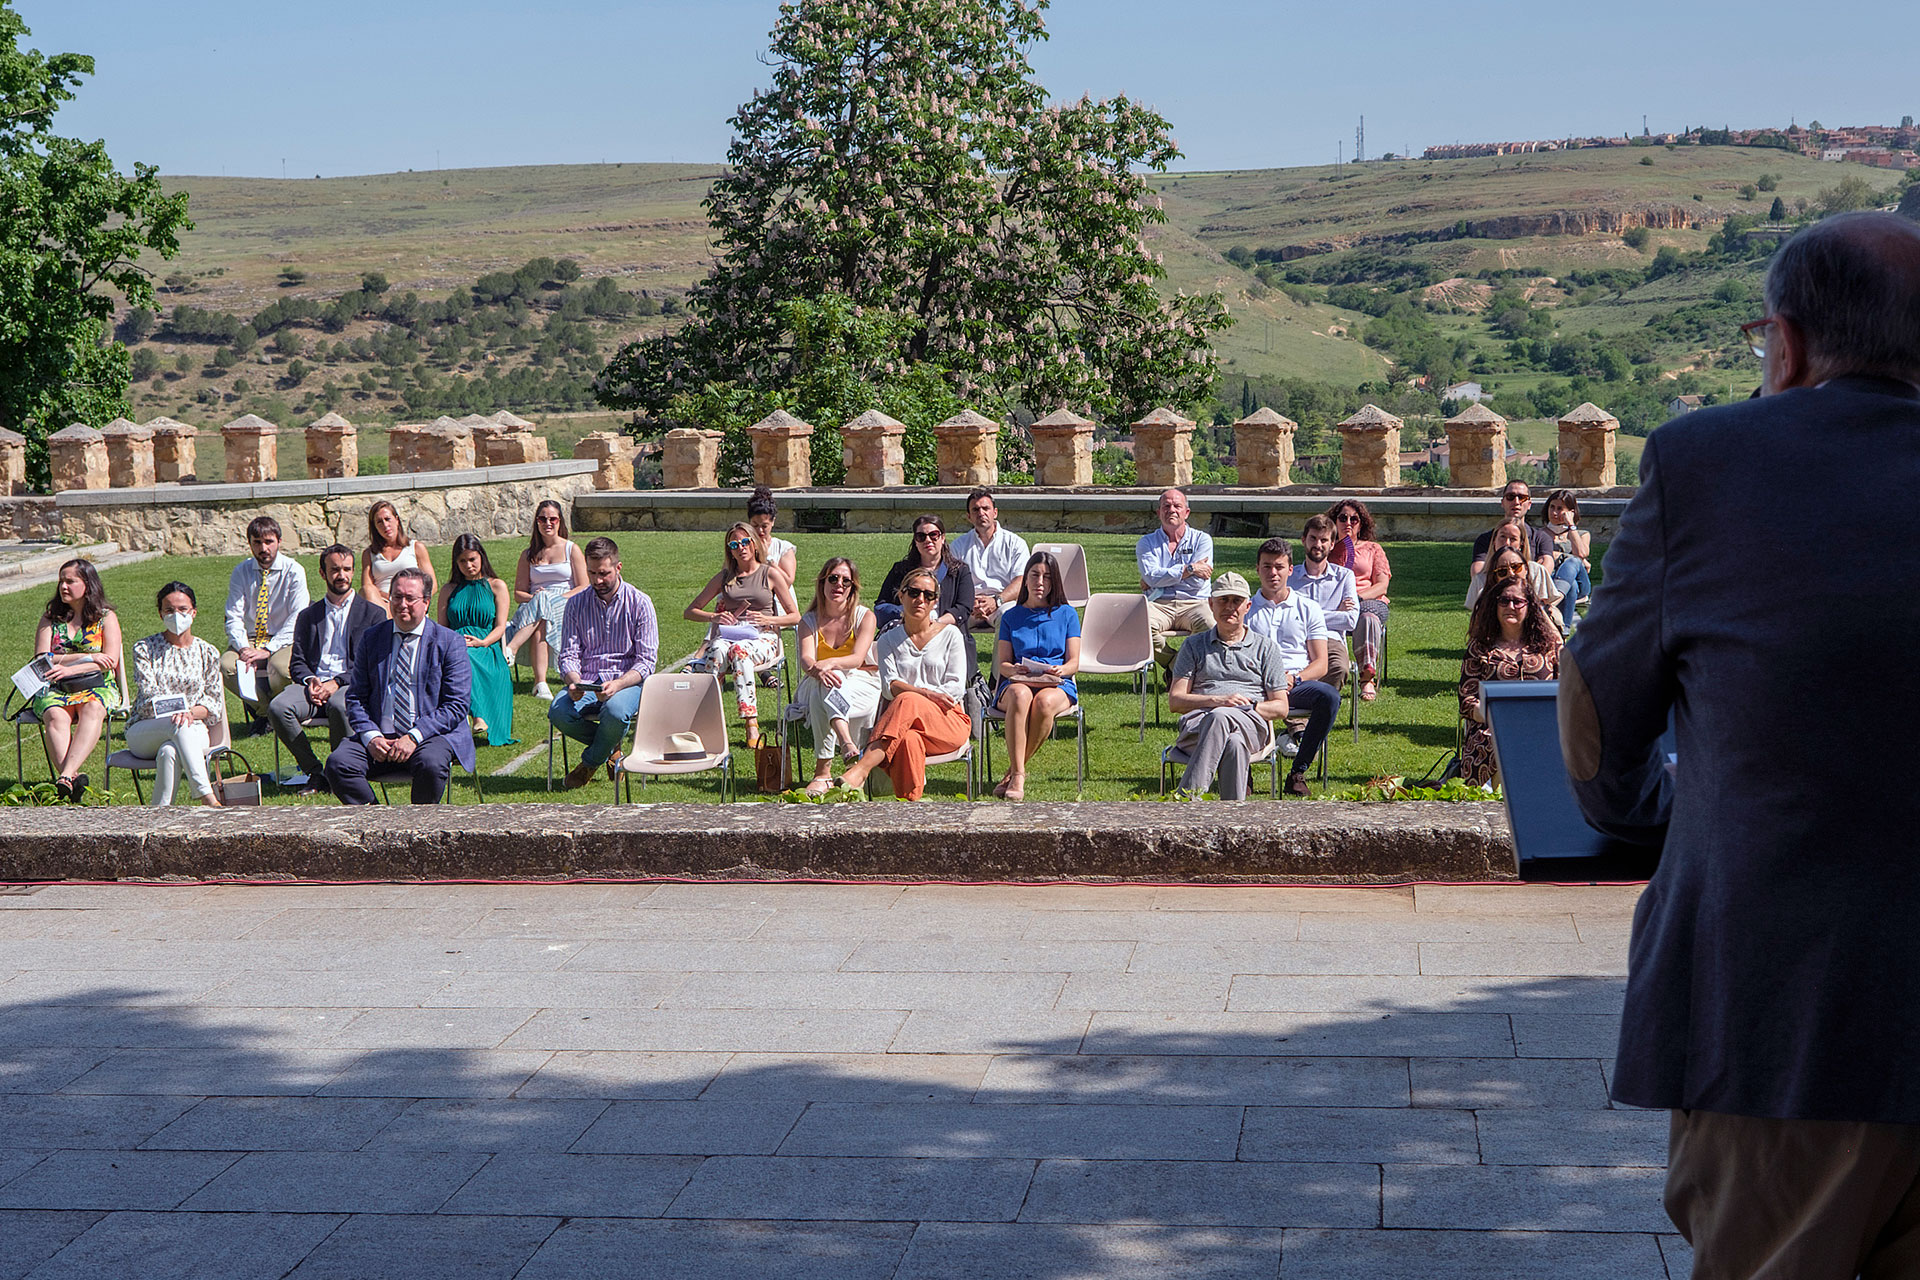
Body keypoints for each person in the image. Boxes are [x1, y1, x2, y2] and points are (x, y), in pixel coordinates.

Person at [1561, 212, 1920, 1278]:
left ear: (1790, 342)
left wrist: (1638, 815)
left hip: (1789, 1015)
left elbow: (1596, 707)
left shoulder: (1705, 461)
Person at [325, 567, 475, 806]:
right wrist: (372, 736)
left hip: (429, 735)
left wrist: (414, 737)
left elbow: (456, 706)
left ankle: (418, 831)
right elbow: (355, 698)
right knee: (339, 764)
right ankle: (378, 827)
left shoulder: (449, 642)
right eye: (396, 597)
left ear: (426, 602)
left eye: (410, 598)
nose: (402, 604)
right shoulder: (372, 638)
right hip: (380, 737)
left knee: (431, 764)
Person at [838, 567, 972, 801]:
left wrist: (919, 696)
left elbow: (954, 688)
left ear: (934, 602)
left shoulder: (951, 635)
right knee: (909, 739)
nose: (920, 599)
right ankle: (910, 808)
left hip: (949, 721)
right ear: (901, 596)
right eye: (914, 592)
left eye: (928, 595)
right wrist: (925, 694)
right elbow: (889, 686)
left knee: (907, 698)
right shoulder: (889, 639)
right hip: (903, 726)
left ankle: (862, 768)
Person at [268, 543, 384, 795]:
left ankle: (340, 772)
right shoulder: (308, 616)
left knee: (341, 705)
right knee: (278, 707)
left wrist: (337, 683)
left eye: (346, 569)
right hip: (312, 687)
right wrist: (310, 680)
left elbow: (372, 664)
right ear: (322, 573)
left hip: (350, 685)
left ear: (353, 572)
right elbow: (297, 661)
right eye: (334, 570)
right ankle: (315, 772)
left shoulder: (373, 615)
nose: (341, 575)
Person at [1167, 571, 1289, 800]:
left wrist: (1247, 707)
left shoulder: (1266, 648)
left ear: (1248, 606)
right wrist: (1219, 701)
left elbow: (1281, 708)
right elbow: (1175, 701)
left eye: (1236, 601)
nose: (1229, 607)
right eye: (1223, 600)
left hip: (1250, 724)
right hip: (1197, 727)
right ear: (1211, 604)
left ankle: (1186, 800)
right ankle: (1234, 823)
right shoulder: (1193, 645)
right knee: (1232, 742)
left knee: (1222, 717)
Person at [550, 537, 659, 790]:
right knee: (558, 711)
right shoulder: (576, 604)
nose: (598, 580)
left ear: (618, 568)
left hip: (627, 680)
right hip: (588, 680)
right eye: (592, 573)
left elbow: (646, 662)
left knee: (615, 712)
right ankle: (611, 745)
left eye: (604, 573)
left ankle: (589, 764)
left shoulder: (640, 603)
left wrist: (619, 684)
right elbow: (568, 653)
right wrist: (573, 681)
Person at [685, 521, 800, 750]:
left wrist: (769, 620)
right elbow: (690, 611)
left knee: (738, 651)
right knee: (717, 649)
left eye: (745, 542)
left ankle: (751, 723)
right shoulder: (725, 577)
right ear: (730, 549)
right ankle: (707, 721)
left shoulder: (771, 574)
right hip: (731, 635)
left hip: (763, 637)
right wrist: (714, 617)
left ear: (754, 544)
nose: (741, 547)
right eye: (735, 544)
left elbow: (795, 616)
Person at [1246, 539, 1341, 796]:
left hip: (1296, 682)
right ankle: (1243, 771)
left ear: (1290, 569)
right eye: (1266, 566)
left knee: (1329, 696)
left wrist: (1294, 679)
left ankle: (1298, 771)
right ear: (1257, 569)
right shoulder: (1246, 610)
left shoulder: (1308, 608)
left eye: (1279, 567)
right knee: (1236, 698)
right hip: (1255, 683)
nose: (1272, 573)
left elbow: (1321, 663)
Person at [27, 559, 121, 803]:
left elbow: (110, 659)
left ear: (88, 585)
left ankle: (66, 775)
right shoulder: (51, 618)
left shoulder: (105, 618)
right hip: (57, 687)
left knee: (92, 707)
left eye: (70, 581)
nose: (63, 587)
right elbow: (41, 658)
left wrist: (68, 667)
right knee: (55, 713)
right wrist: (87, 657)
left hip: (97, 685)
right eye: (61, 581)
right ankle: (73, 780)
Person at [990, 551, 1081, 801]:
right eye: (1035, 575)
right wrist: (1015, 671)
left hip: (1056, 682)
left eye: (1047, 577)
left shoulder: (1067, 614)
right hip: (1018, 680)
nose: (1040, 582)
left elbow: (1073, 662)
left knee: (1043, 702)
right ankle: (1019, 773)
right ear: (1026, 579)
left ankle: (1013, 772)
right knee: (1020, 695)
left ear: (1055, 582)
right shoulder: (1011, 616)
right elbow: (1004, 665)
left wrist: (1060, 670)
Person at [126, 582, 225, 807]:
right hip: (147, 727)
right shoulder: (145, 648)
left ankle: (159, 814)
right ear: (161, 613)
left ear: (193, 612)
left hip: (194, 728)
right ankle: (207, 796)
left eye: (182, 609)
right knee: (177, 724)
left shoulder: (207, 652)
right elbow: (148, 692)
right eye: (169, 610)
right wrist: (178, 712)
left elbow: (213, 702)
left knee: (169, 751)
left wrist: (189, 713)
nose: (176, 615)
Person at [1457, 574, 1559, 787]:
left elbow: (1569, 693)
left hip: (1543, 729)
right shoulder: (1479, 648)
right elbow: (1467, 701)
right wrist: (1494, 718)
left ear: (1529, 606)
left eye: (1517, 601)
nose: (1510, 606)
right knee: (1507, 743)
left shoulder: (1549, 647)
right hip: (1490, 731)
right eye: (1504, 600)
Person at [794, 557, 881, 797]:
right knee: (825, 685)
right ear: (822, 583)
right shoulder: (808, 621)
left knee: (828, 687)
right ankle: (847, 746)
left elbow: (856, 658)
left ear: (853, 587)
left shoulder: (865, 617)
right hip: (815, 681)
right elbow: (806, 660)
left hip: (861, 681)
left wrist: (829, 663)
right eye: (833, 578)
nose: (838, 584)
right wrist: (819, 670)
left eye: (846, 581)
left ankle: (823, 772)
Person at [220, 516, 309, 732]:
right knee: (225, 666)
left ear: (279, 541)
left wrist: (268, 649)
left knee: (283, 669)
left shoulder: (294, 571)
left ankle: (277, 710)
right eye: (257, 542)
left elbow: (298, 616)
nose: (263, 548)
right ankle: (266, 711)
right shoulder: (241, 572)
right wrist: (243, 648)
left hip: (283, 637)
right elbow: (233, 615)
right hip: (250, 638)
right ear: (249, 543)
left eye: (268, 542)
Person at [502, 500, 588, 702]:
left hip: (567, 604)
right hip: (533, 606)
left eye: (552, 519)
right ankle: (540, 684)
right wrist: (538, 598)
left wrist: (555, 598)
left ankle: (512, 650)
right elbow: (518, 593)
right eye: (542, 519)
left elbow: (583, 586)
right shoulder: (528, 555)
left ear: (560, 522)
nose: (547, 523)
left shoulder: (571, 549)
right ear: (536, 522)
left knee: (545, 604)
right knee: (542, 607)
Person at [437, 533, 517, 748]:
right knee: (460, 656)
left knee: (468, 655)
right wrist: (453, 644)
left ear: (481, 557)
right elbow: (442, 627)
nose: (468, 565)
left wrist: (483, 642)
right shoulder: (449, 590)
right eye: (462, 561)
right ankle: (477, 715)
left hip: (486, 646)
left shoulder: (496, 586)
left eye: (472, 559)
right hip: (456, 644)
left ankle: (479, 715)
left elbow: (501, 626)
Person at [1136, 488, 1214, 668]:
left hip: (1195, 602)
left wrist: (1161, 576)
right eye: (1166, 506)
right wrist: (1191, 568)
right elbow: (1152, 577)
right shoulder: (1146, 543)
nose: (1172, 510)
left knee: (1210, 625)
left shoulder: (1202, 540)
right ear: (1159, 512)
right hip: (1159, 603)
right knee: (1139, 627)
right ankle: (1175, 665)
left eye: (1177, 506)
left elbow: (1198, 581)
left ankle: (1180, 668)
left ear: (1186, 513)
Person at [1326, 499, 1391, 701]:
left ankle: (1366, 677)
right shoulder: (1326, 548)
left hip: (1367, 600)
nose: (1348, 522)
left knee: (1368, 617)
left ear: (1361, 523)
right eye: (1342, 518)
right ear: (1334, 521)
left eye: (1354, 519)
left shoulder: (1373, 549)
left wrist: (1358, 597)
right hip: (1334, 603)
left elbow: (1382, 584)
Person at [1288, 514, 1359, 693]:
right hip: (1297, 638)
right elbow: (1286, 616)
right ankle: (1299, 713)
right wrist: (1335, 613)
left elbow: (1350, 621)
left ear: (1332, 544)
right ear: (1304, 540)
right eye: (1313, 538)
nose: (1318, 545)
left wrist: (1306, 616)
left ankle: (1317, 710)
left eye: (1324, 540)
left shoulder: (1344, 577)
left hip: (1331, 639)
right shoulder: (1289, 577)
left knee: (1339, 668)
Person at [875, 515, 976, 636]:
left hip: (946, 632)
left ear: (942, 538)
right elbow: (881, 607)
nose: (928, 540)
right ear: (915, 541)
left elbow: (963, 608)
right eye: (921, 536)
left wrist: (934, 624)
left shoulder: (960, 571)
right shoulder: (900, 570)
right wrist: (907, 614)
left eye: (934, 535)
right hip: (905, 632)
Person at [1465, 520, 1565, 634]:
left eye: (1513, 539)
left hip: (1535, 622)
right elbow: (1477, 616)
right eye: (1502, 537)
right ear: (1494, 541)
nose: (1507, 543)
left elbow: (1545, 605)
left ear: (1521, 543)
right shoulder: (1481, 577)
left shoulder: (1536, 570)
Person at [952, 487, 1030, 630]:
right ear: (968, 516)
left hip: (1003, 601)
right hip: (969, 604)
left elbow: (1021, 581)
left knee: (1010, 616)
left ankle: (1004, 654)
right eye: (975, 510)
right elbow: (951, 582)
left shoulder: (1015, 543)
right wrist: (969, 602)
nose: (981, 513)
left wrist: (996, 601)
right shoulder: (958, 546)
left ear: (995, 512)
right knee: (948, 619)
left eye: (985, 508)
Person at [360, 500, 437, 616]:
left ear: (396, 519)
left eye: (387, 519)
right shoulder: (369, 554)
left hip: (410, 601)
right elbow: (367, 587)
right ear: (375, 527)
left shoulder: (415, 548)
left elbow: (432, 584)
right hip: (383, 603)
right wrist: (389, 597)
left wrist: (412, 599)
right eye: (379, 522)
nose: (385, 525)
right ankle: (390, 623)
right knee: (366, 590)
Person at [1468, 480, 1556, 576]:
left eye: (1522, 497)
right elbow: (1478, 573)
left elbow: (1546, 568)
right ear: (1502, 502)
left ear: (1529, 504)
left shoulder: (1541, 538)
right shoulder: (1485, 539)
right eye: (1510, 497)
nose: (1516, 502)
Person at [1543, 489, 1592, 631]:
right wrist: (1573, 557)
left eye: (1560, 509)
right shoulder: (1540, 534)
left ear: (1570, 512)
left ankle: (1552, 602)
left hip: (1582, 585)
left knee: (1574, 562)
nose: (1554, 513)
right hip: (1552, 581)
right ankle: (1563, 631)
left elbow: (1581, 553)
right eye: (1552, 507)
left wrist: (1571, 526)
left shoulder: (1581, 534)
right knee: (1572, 585)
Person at [745, 486, 799, 585]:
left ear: (773, 522)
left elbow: (787, 581)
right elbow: (728, 574)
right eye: (755, 525)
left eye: (764, 526)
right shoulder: (743, 545)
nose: (760, 530)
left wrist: (768, 558)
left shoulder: (784, 548)